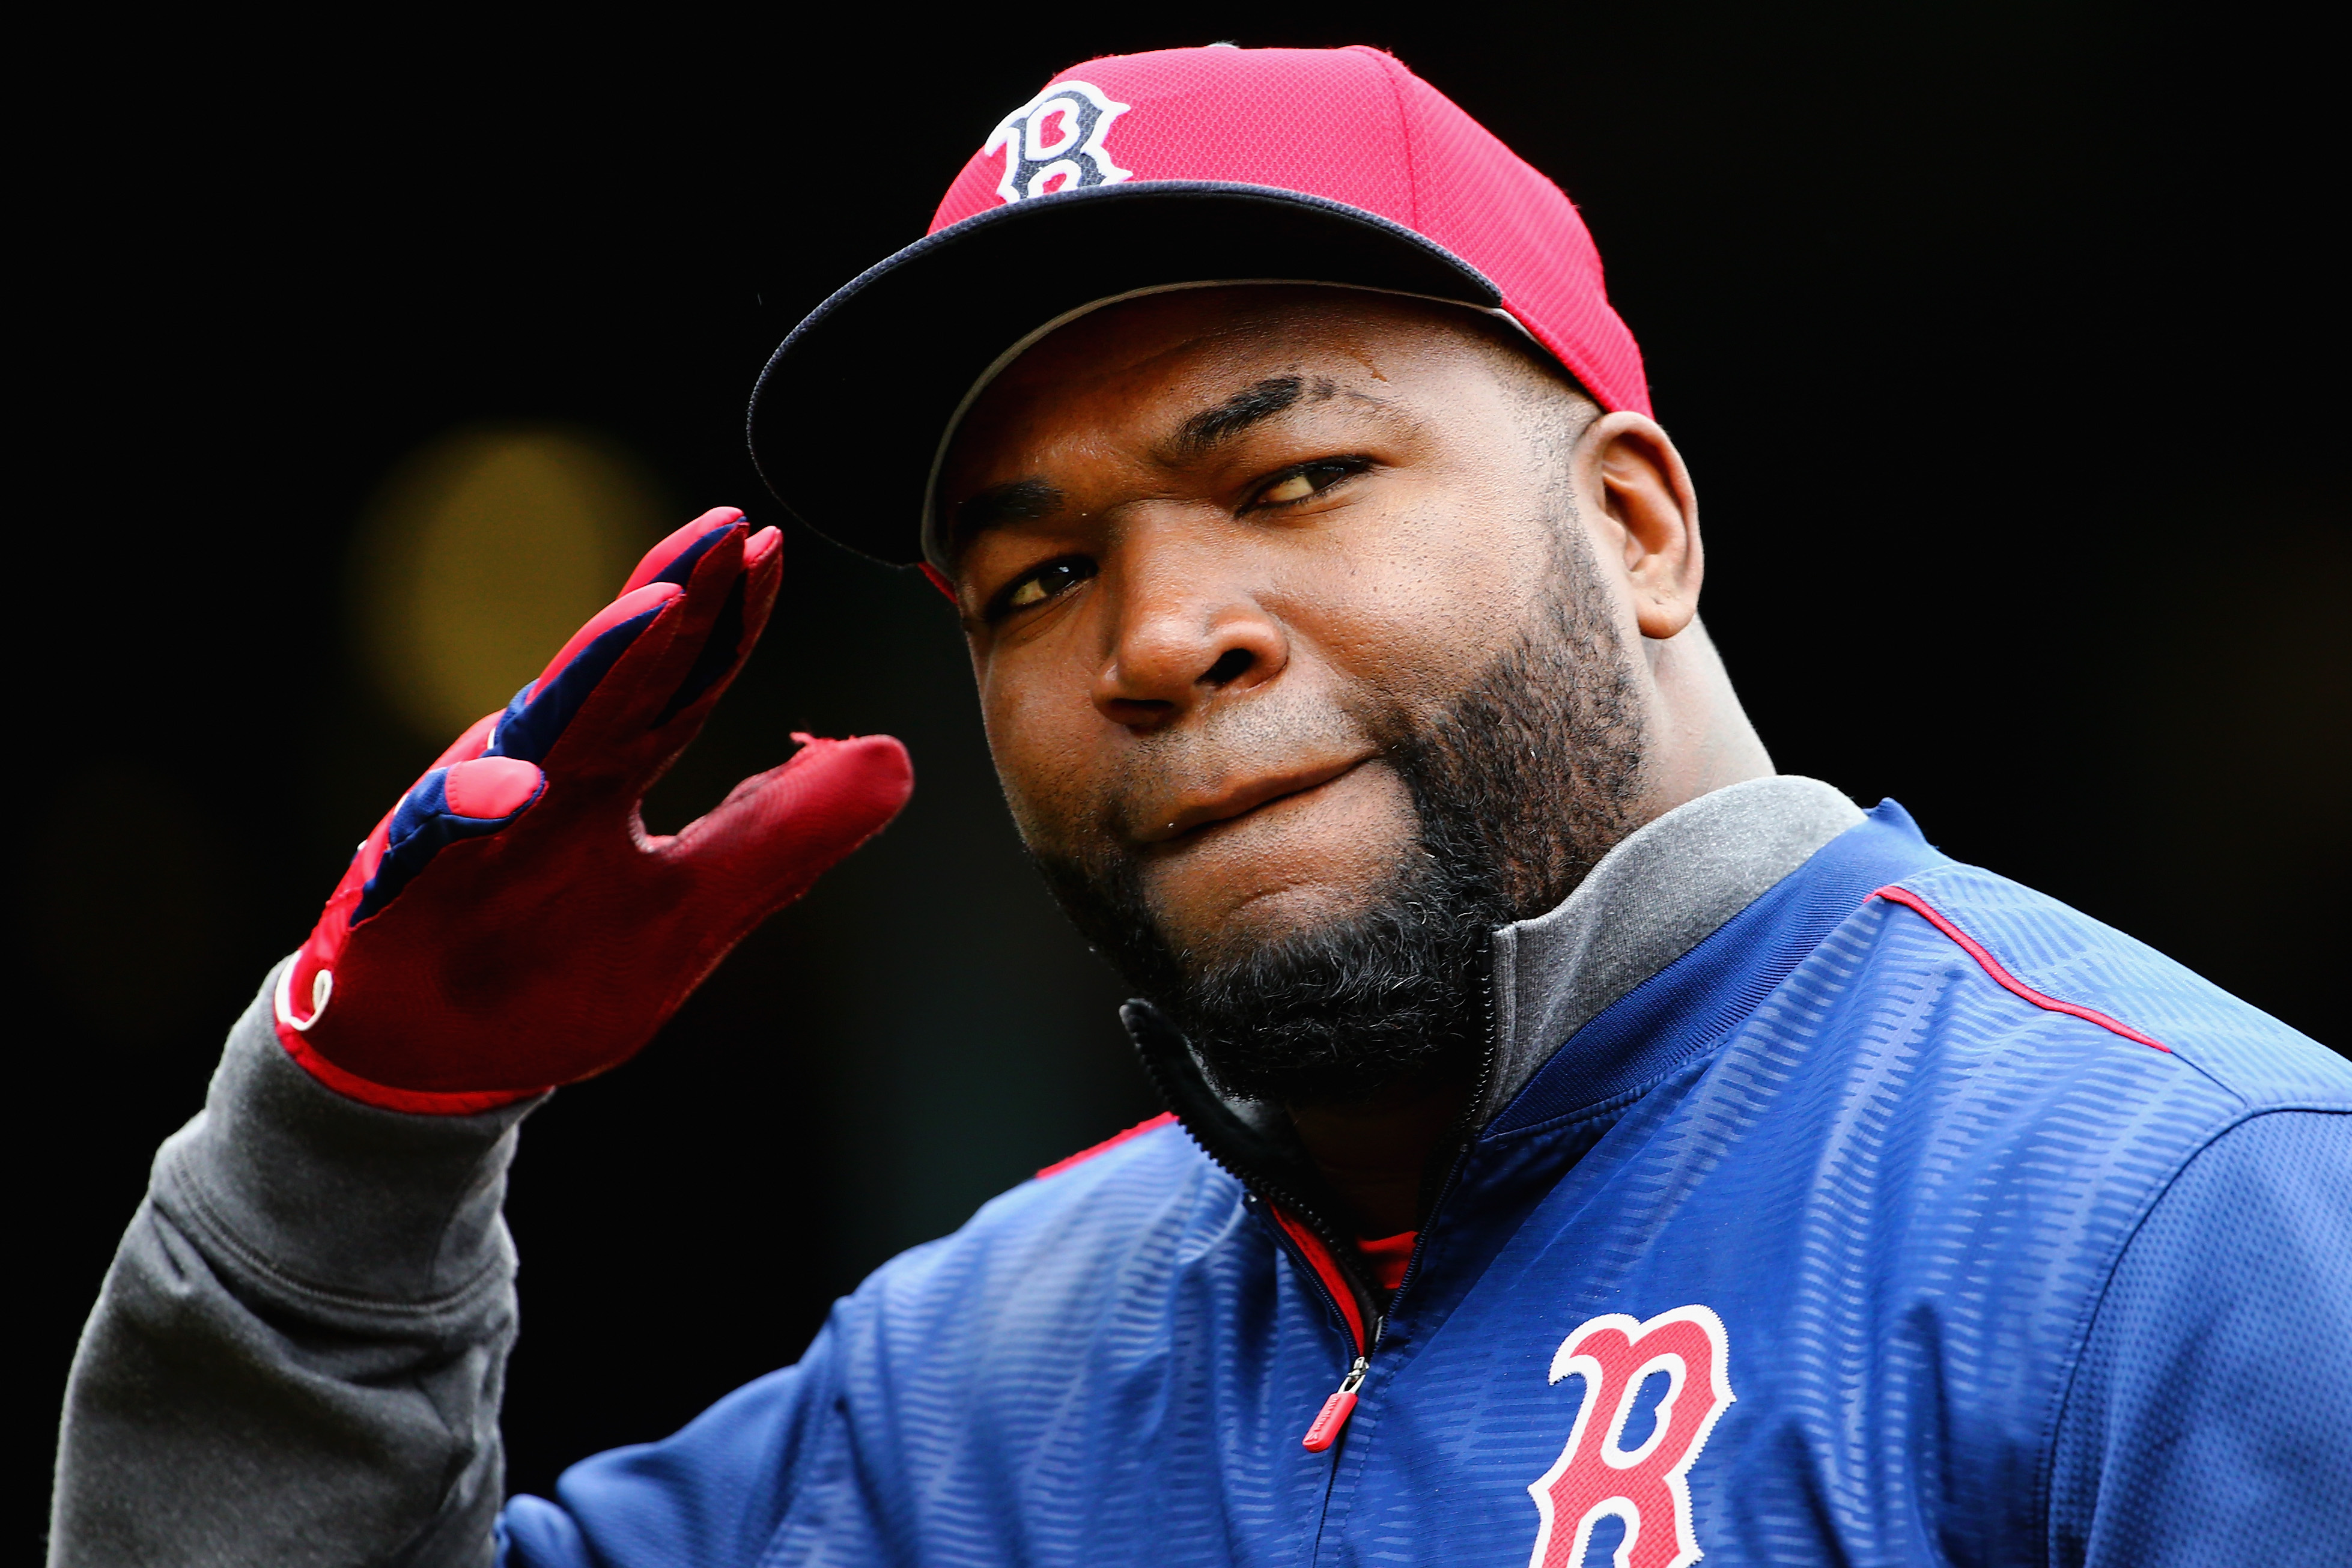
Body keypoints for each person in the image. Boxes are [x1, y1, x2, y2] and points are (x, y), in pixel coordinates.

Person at [49, 44, 2351, 1568]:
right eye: (1037, 574)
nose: (1154, 637)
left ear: (1638, 526)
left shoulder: (2181, 1224)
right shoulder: (966, 1374)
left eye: (1290, 473)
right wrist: (351, 1148)